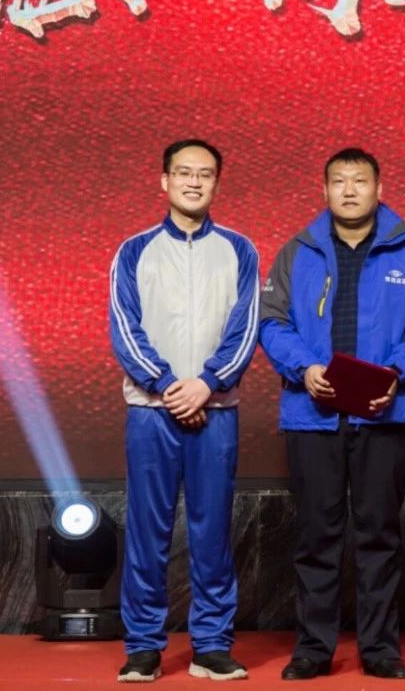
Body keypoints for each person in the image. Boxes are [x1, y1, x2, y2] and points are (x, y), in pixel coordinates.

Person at [258, 148, 405, 681]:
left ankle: (380, 649)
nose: (348, 190)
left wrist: (397, 370)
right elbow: (271, 322)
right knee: (315, 536)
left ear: (378, 189)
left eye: (359, 180)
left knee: (379, 535)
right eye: (338, 181)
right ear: (323, 191)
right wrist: (303, 368)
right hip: (312, 413)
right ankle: (312, 650)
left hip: (385, 412)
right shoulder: (298, 251)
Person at [109, 139, 260, 683]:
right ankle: (143, 647)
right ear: (164, 181)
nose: (194, 182)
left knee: (212, 533)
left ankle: (211, 646)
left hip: (216, 412)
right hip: (151, 413)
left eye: (205, 174)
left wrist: (207, 385)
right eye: (184, 173)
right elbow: (125, 328)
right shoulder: (134, 251)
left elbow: (245, 328)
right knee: (147, 533)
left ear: (217, 183)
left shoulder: (240, 250)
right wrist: (171, 386)